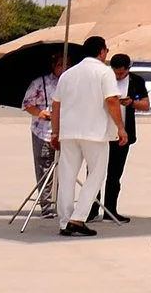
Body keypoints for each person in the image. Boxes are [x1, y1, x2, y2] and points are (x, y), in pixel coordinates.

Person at [51, 35, 124, 237]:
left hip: (69, 132)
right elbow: (111, 100)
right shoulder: (104, 72)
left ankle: (65, 221)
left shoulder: (68, 74)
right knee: (96, 174)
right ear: (101, 51)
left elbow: (56, 105)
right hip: (95, 132)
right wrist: (120, 127)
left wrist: (55, 131)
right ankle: (78, 217)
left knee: (66, 176)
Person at [100, 53, 150, 223]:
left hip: (124, 132)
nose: (118, 76)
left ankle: (110, 209)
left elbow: (146, 104)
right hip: (102, 131)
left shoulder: (136, 81)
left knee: (115, 174)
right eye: (116, 72)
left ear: (128, 69)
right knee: (95, 172)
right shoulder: (104, 78)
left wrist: (132, 103)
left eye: (121, 73)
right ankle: (90, 209)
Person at [22, 50, 65, 217]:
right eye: (61, 64)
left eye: (67, 64)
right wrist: (40, 113)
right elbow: (27, 104)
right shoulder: (40, 83)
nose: (64, 68)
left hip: (65, 131)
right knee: (45, 168)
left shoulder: (72, 82)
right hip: (43, 131)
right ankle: (47, 205)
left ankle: (62, 203)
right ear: (54, 66)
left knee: (65, 168)